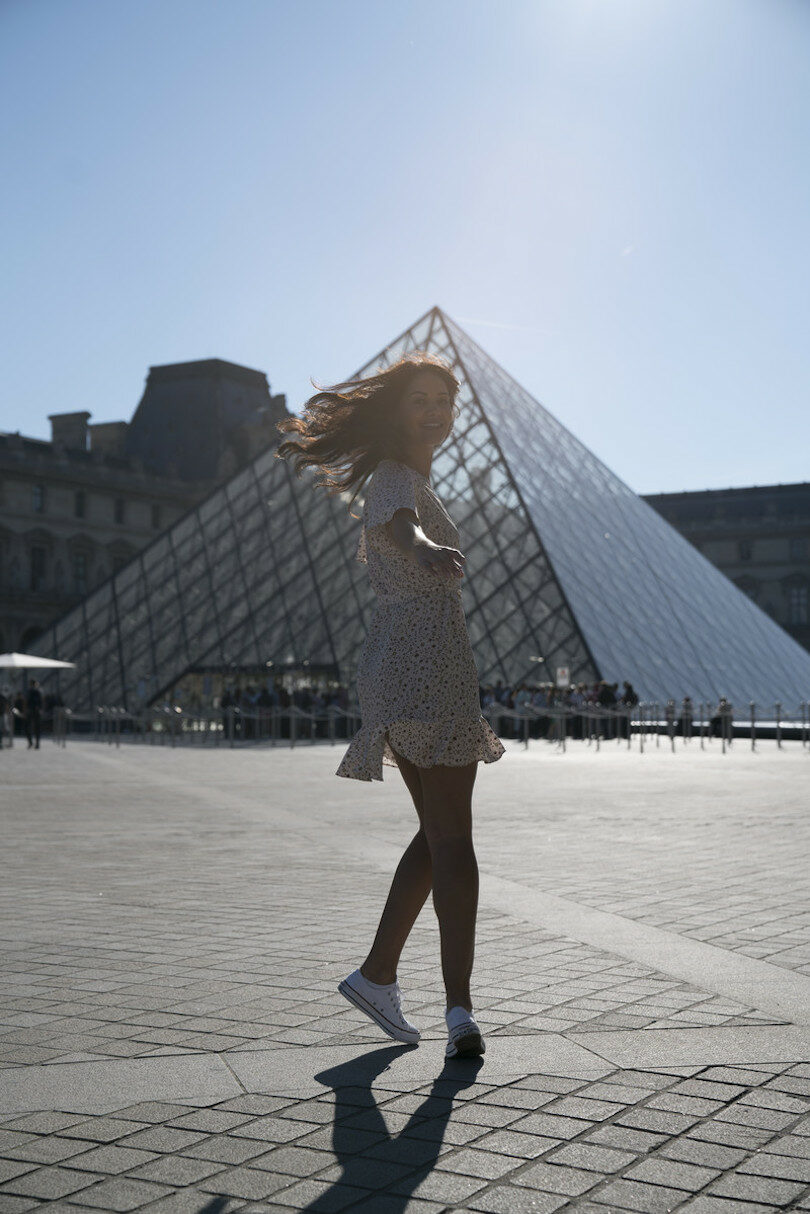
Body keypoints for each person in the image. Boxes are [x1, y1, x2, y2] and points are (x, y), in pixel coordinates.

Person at [276, 352, 504, 1060]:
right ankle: (459, 1010)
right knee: (456, 843)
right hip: (422, 665)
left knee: (438, 838)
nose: (435, 410)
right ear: (395, 411)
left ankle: (378, 976)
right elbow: (404, 526)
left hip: (411, 664)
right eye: (420, 399)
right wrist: (430, 545)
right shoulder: (396, 480)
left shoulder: (405, 476)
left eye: (444, 399)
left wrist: (429, 545)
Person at [25, 680, 43, 749]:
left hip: (32, 711)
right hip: (34, 711)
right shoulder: (37, 691)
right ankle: (35, 743)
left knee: (29, 727)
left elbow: (28, 701)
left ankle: (32, 743)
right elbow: (40, 702)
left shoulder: (32, 691)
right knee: (36, 728)